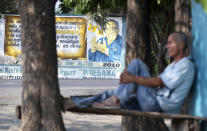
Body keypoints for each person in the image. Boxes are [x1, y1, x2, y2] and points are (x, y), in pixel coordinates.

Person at [71, 32, 195, 114]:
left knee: (137, 64)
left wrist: (131, 79)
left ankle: (116, 99)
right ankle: (79, 102)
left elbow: (158, 82)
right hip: (153, 100)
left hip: (159, 105)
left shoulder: (186, 65)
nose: (167, 46)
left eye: (170, 43)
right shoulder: (173, 65)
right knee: (113, 93)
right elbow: (156, 85)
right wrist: (129, 84)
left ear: (181, 45)